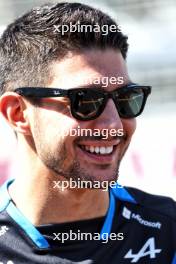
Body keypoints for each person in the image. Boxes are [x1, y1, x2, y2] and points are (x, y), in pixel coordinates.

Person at [0, 2, 175, 264]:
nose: (114, 125)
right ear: (18, 113)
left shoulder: (167, 232)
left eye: (126, 98)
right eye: (86, 100)